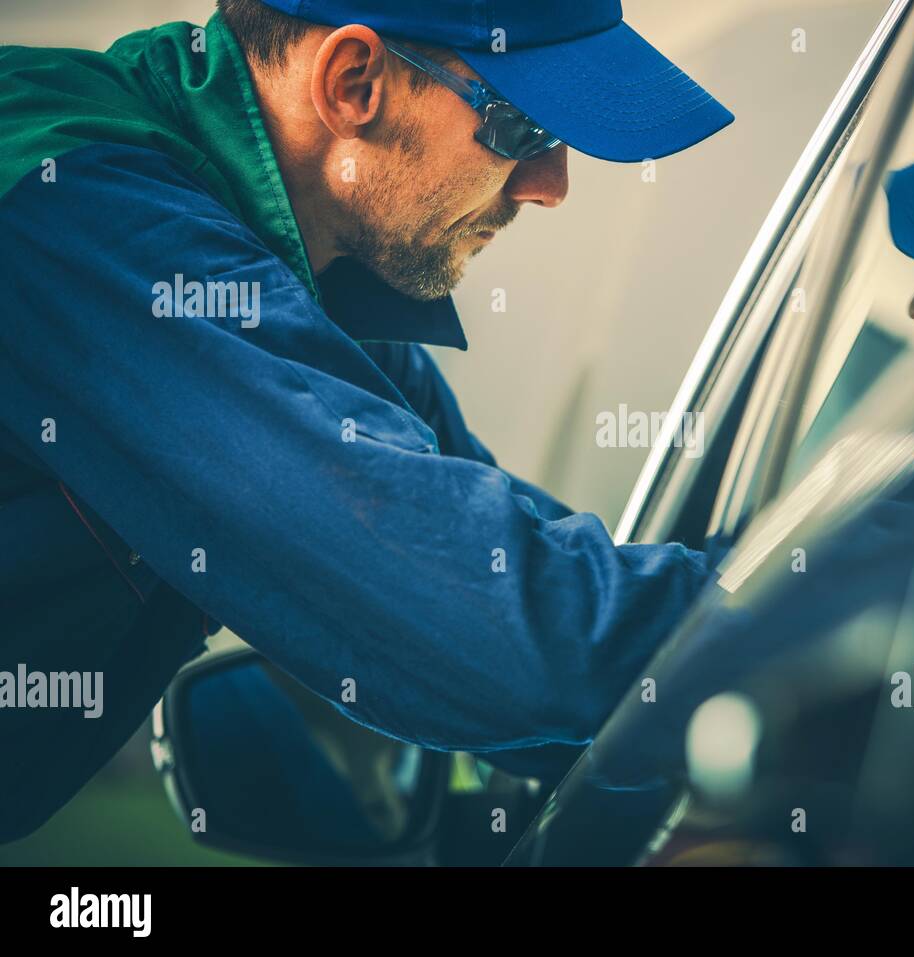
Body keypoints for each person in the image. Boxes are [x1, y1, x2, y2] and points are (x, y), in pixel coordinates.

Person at [0, 0, 733, 842]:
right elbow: (481, 624)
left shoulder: (306, 290)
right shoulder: (76, 212)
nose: (551, 185)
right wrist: (845, 601)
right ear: (353, 84)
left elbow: (512, 587)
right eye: (522, 127)